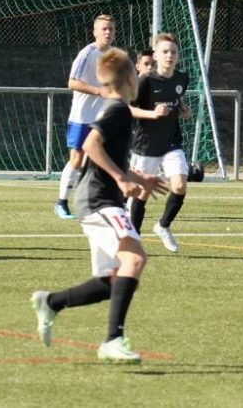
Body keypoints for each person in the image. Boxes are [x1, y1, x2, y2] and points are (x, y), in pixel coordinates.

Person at [30, 47, 168, 363]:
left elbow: (109, 155)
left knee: (113, 281)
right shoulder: (118, 110)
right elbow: (91, 145)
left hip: (100, 200)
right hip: (99, 200)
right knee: (134, 259)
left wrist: (137, 177)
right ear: (131, 79)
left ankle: (51, 302)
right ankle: (112, 340)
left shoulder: (118, 110)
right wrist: (121, 180)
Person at [125, 33, 192, 252]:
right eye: (164, 52)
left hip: (171, 141)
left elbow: (177, 97)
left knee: (180, 185)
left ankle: (163, 226)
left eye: (173, 52)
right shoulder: (145, 81)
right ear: (155, 55)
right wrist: (152, 114)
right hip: (146, 144)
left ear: (178, 55)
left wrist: (183, 108)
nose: (169, 55)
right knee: (142, 192)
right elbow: (127, 108)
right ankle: (133, 237)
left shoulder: (182, 78)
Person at [54, 14, 116, 219]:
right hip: (82, 116)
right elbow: (72, 83)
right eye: (104, 28)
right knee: (77, 158)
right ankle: (61, 202)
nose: (108, 32)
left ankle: (103, 202)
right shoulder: (87, 53)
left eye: (111, 29)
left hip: (103, 117)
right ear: (95, 32)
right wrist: (98, 91)